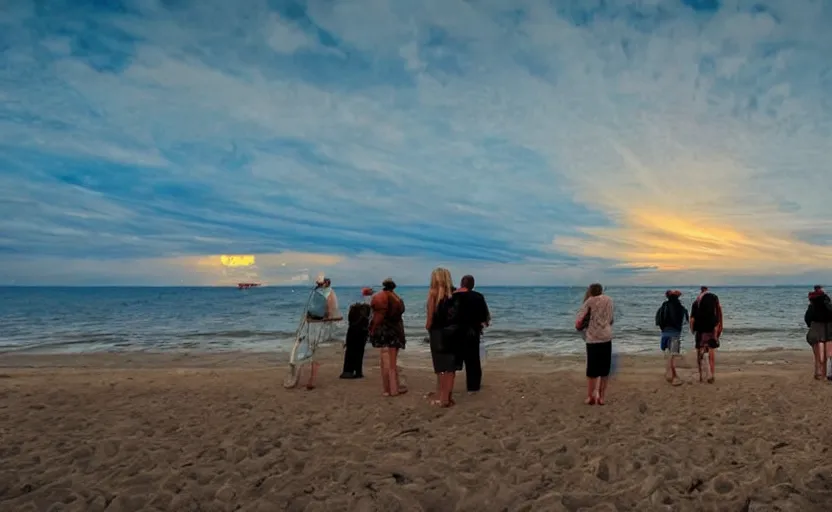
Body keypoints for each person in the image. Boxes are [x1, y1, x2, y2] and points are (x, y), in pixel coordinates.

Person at [449, 275, 491, 393]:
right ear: (472, 285)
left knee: (452, 361)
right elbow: (485, 317)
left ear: (462, 283)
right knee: (473, 361)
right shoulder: (478, 297)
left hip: (454, 332)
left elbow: (447, 315)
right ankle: (473, 387)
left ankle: (447, 386)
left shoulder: (452, 296)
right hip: (472, 332)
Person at [575, 283, 615, 405]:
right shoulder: (609, 300)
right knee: (604, 370)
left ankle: (590, 396)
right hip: (606, 337)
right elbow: (611, 319)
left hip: (592, 339)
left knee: (592, 370)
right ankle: (601, 397)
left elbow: (579, 321)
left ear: (590, 291)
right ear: (601, 290)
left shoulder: (589, 301)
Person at [369, 278, 408, 397]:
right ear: (393, 287)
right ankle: (394, 388)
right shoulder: (396, 298)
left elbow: (378, 317)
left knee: (384, 361)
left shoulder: (379, 297)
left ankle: (387, 389)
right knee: (392, 362)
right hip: (396, 330)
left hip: (384, 330)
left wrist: (372, 329)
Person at [425, 268, 456, 407]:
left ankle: (442, 398)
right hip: (453, 333)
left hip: (437, 333)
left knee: (440, 367)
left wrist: (427, 327)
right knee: (450, 367)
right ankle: (447, 397)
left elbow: (430, 320)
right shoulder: (454, 294)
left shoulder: (433, 293)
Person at [656, 290, 689, 386]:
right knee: (672, 356)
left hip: (665, 333)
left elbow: (658, 320)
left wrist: (663, 329)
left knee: (668, 354)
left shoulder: (663, 306)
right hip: (675, 333)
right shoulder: (681, 308)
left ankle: (668, 374)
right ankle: (674, 377)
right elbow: (685, 321)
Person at [690, 286, 723, 384]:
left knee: (699, 350)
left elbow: (692, 319)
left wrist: (692, 330)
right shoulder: (713, 300)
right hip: (711, 328)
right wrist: (719, 327)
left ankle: (701, 376)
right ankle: (711, 374)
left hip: (700, 330)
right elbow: (719, 313)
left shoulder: (696, 303)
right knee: (711, 351)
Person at [804, 285, 832, 381]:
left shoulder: (813, 303)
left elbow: (807, 318)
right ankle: (826, 374)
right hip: (828, 330)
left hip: (815, 328)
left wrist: (809, 324)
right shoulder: (827, 301)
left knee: (817, 354)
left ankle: (818, 373)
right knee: (828, 354)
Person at [340, 298, 371, 379]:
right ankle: (358, 372)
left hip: (352, 332)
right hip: (361, 333)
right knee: (359, 352)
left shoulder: (354, 312)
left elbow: (350, 322)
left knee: (350, 351)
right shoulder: (365, 316)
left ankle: (348, 371)